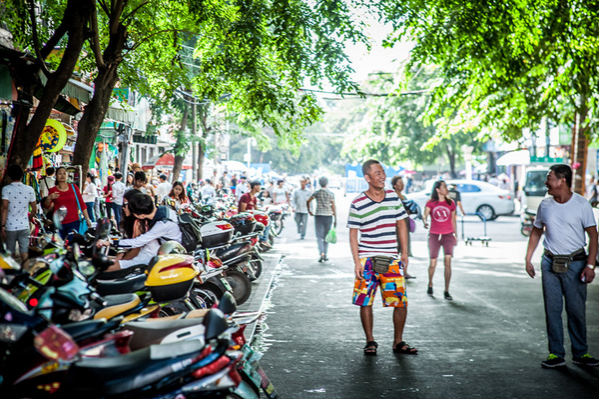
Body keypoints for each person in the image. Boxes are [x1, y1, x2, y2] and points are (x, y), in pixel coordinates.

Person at [525, 164, 599, 368]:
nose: (546, 182)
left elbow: (593, 235)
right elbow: (536, 231)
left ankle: (580, 353)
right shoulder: (545, 205)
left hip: (576, 264)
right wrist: (528, 258)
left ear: (562, 180)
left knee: (576, 310)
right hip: (549, 263)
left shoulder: (582, 204)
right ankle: (555, 353)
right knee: (552, 310)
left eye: (549, 178)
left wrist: (590, 265)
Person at [348, 159, 415, 356]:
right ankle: (370, 341)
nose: (382, 176)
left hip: (392, 258)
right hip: (367, 259)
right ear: (367, 178)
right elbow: (353, 234)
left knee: (400, 301)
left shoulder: (393, 197)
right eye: (377, 173)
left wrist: (404, 252)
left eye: (383, 172)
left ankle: (398, 341)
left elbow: (401, 224)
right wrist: (356, 261)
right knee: (365, 301)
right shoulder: (358, 203)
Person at [97, 193, 181, 271]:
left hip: (167, 254)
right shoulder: (164, 210)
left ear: (141, 216)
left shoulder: (162, 225)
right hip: (166, 249)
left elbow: (137, 242)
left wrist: (110, 242)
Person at [422, 180, 457, 300]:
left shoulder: (450, 203)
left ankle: (446, 290)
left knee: (448, 261)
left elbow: (453, 220)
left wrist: (455, 235)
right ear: (438, 189)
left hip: (448, 235)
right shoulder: (431, 203)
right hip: (434, 235)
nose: (447, 189)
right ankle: (430, 283)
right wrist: (425, 222)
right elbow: (425, 215)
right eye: (444, 187)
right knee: (433, 263)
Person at [43, 166, 92, 240]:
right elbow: (47, 206)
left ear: (67, 175)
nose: (62, 175)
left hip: (74, 222)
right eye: (60, 173)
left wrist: (87, 219)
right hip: (59, 224)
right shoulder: (53, 190)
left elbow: (82, 204)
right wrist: (49, 198)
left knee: (72, 245)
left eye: (64, 173)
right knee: (61, 247)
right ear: (56, 176)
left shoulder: (74, 187)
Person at [1, 165, 36, 264]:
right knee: (25, 254)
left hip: (10, 226)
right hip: (24, 226)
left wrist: (3, 226)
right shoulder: (29, 189)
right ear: (22, 175)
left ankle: (12, 277)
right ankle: (25, 274)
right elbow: (34, 209)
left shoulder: (6, 189)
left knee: (10, 254)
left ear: (9, 175)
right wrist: (29, 219)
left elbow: (5, 208)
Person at [307, 176, 336, 262]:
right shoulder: (331, 193)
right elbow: (333, 206)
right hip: (328, 215)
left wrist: (309, 210)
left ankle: (321, 252)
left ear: (319, 183)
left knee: (319, 236)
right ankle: (325, 254)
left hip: (319, 215)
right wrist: (335, 217)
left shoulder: (317, 193)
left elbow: (308, 201)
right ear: (327, 183)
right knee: (326, 236)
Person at [391, 175, 414, 278]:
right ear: (395, 185)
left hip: (405, 225)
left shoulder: (404, 197)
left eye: (402, 183)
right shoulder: (392, 197)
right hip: (395, 226)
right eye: (400, 183)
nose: (402, 185)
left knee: (405, 248)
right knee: (396, 249)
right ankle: (395, 270)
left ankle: (404, 271)